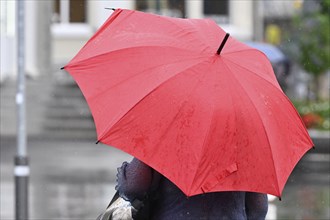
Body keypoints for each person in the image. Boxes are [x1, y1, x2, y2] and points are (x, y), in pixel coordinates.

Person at [98, 157, 268, 220]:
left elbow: (133, 188)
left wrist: (123, 175)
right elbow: (258, 210)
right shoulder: (246, 143)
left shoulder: (170, 129)